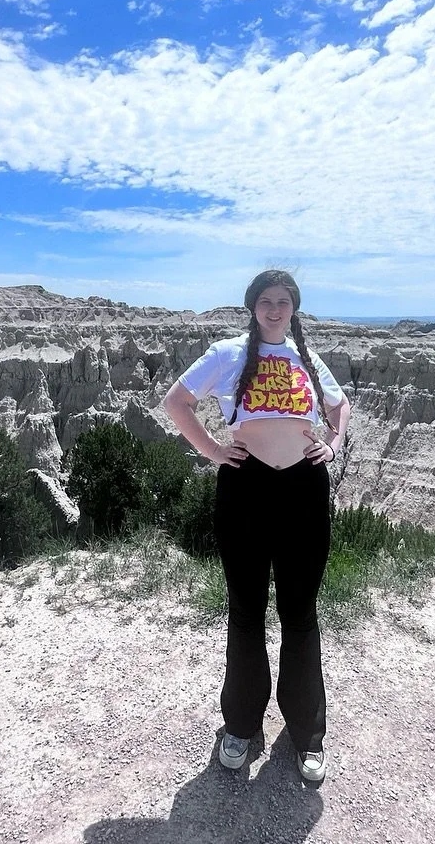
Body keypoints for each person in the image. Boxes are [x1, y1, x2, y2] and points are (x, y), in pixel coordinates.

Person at [161, 269, 350, 784]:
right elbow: (177, 403)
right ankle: (241, 726)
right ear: (252, 306)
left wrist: (332, 445)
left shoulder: (306, 358)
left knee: (300, 614)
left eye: (283, 301)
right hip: (246, 490)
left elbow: (340, 405)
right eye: (265, 301)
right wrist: (215, 452)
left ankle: (308, 733)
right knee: (246, 613)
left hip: (304, 491)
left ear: (294, 308)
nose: (274, 309)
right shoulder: (227, 355)